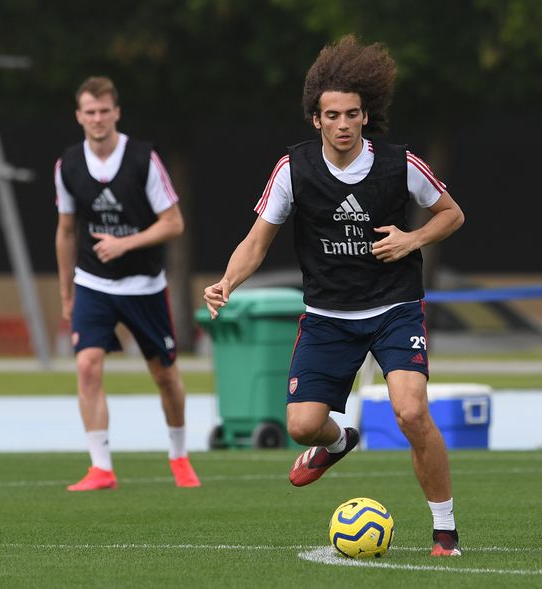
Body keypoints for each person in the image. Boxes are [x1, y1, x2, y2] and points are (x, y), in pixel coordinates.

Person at [204, 35, 465, 556]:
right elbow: (256, 241)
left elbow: (452, 214)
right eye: (332, 115)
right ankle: (340, 439)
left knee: (411, 413)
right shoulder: (293, 170)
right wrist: (228, 281)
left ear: (366, 116)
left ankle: (444, 529)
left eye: (352, 114)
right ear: (315, 120)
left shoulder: (400, 164)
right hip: (328, 316)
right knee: (301, 426)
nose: (343, 124)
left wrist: (411, 238)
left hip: (394, 308)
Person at [55, 76, 200, 491]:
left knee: (165, 375)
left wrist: (126, 243)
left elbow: (174, 223)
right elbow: (66, 231)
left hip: (144, 285)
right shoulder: (68, 164)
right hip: (92, 283)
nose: (97, 119)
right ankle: (101, 467)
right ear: (78, 116)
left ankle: (179, 455)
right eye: (89, 112)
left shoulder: (143, 159)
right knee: (86, 365)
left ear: (116, 112)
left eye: (104, 111)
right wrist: (67, 293)